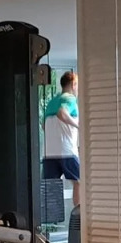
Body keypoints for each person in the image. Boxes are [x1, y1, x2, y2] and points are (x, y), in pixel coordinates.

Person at [42, 70, 81, 208]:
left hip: (49, 153)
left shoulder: (51, 102)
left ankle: (51, 218)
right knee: (80, 181)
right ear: (73, 84)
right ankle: (78, 214)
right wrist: (78, 126)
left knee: (51, 188)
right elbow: (62, 113)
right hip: (67, 151)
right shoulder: (69, 99)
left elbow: (43, 125)